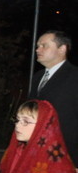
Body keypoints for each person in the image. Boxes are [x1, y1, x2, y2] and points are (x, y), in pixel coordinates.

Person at [28, 31, 78, 164]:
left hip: (66, 154)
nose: (37, 49)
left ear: (62, 49)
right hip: (38, 150)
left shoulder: (74, 77)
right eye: (38, 46)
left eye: (44, 45)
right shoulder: (38, 77)